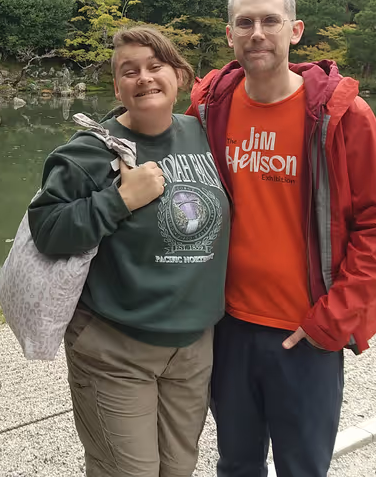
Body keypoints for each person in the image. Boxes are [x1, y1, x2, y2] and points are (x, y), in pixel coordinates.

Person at [186, 0, 376, 477]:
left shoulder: (340, 116)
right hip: (228, 325)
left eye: (271, 20)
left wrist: (331, 319)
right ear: (229, 35)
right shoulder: (209, 109)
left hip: (305, 331)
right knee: (236, 464)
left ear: (296, 30)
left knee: (302, 468)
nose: (257, 33)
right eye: (245, 23)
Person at [29, 25, 231, 477]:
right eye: (129, 71)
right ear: (118, 88)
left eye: (156, 66)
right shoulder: (90, 151)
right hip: (115, 346)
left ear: (180, 76)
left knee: (179, 468)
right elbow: (47, 228)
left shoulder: (208, 136)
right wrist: (119, 200)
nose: (144, 78)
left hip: (193, 347)